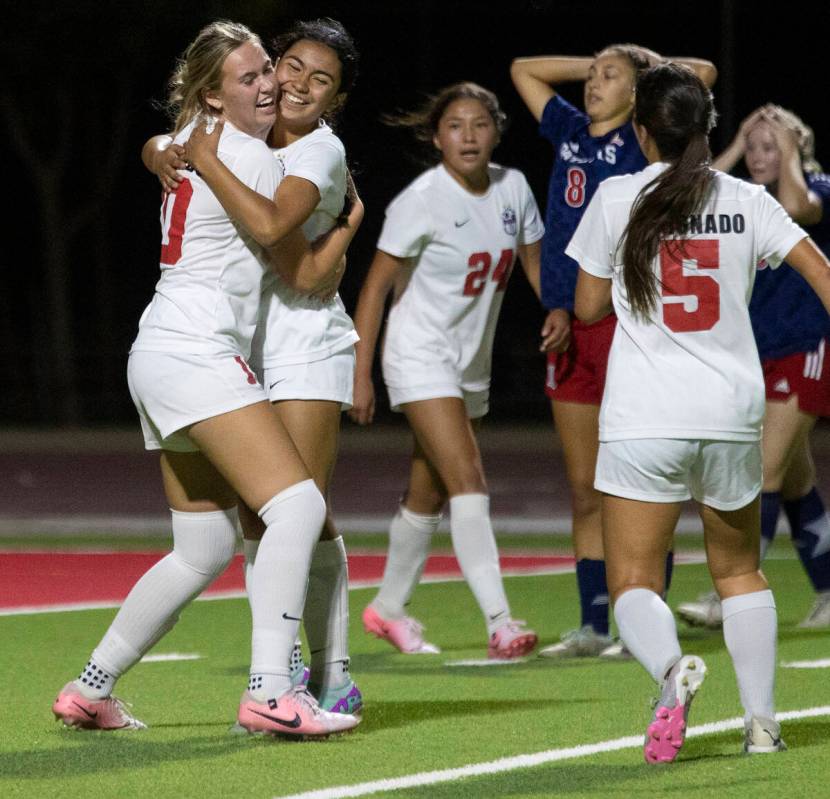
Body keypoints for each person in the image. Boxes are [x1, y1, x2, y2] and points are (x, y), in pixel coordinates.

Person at [51, 20, 363, 738]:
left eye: (267, 71)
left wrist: (169, 143)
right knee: (298, 509)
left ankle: (91, 686)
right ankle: (272, 689)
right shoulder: (250, 155)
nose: (271, 85)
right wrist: (347, 225)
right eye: (254, 75)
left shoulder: (197, 131)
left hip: (157, 349)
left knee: (203, 549)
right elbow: (275, 229)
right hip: (195, 349)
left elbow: (166, 143)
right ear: (212, 95)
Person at [570, 62, 830, 761]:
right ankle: (763, 723)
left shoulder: (617, 196)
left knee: (630, 579)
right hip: (731, 408)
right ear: (707, 128)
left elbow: (589, 305)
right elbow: (821, 272)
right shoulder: (747, 198)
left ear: (642, 132)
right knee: (740, 570)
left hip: (645, 411)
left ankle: (670, 670)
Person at [148, 17, 364, 717]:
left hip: (302, 341)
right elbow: (172, 139)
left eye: (318, 79)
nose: (295, 82)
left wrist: (345, 236)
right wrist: (159, 151)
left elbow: (292, 261)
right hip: (242, 346)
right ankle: (284, 673)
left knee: (301, 511)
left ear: (335, 100)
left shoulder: (317, 152)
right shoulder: (255, 130)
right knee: (267, 519)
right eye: (288, 65)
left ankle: (326, 671)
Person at [510, 46, 717, 658]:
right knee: (585, 487)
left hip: (626, 319)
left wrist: (641, 65)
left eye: (608, 79)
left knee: (643, 480)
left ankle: (643, 625)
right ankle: (594, 624)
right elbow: (524, 69)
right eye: (591, 77)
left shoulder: (638, 138)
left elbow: (701, 75)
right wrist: (601, 62)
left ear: (639, 98)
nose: (593, 84)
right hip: (572, 320)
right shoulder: (570, 128)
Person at [350, 82, 550, 659]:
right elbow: (375, 287)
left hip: (469, 361)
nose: (468, 135)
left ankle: (387, 608)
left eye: (479, 124)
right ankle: (501, 622)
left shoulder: (513, 187)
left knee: (428, 492)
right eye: (455, 126)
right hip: (418, 353)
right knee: (469, 479)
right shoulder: (421, 199)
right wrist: (360, 374)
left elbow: (535, 265)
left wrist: (561, 312)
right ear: (437, 137)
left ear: (496, 132)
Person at [677, 105, 830, 630]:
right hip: (759, 352)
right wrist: (739, 143)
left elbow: (799, 206)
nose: (761, 157)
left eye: (772, 147)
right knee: (792, 482)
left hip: (807, 346)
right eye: (755, 148)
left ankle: (730, 594)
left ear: (794, 149)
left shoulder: (817, 185)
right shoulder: (739, 198)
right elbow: (688, 193)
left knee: (761, 471)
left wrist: (789, 152)